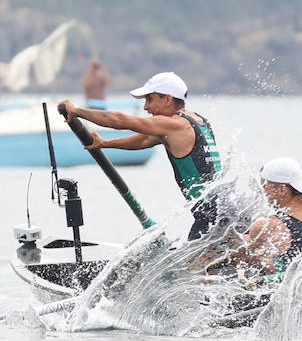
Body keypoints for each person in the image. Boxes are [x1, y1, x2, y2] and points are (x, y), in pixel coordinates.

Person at [58, 71, 224, 238]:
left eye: (149, 99)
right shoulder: (198, 121)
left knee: (192, 264)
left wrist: (76, 111)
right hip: (225, 209)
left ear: (167, 99)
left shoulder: (174, 124)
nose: (146, 107)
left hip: (211, 218)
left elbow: (120, 121)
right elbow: (145, 140)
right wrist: (106, 143)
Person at [236, 157, 302, 280]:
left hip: (291, 294)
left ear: (282, 189)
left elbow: (239, 252)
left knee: (254, 257)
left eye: (264, 186)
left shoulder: (268, 225)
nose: (262, 192)